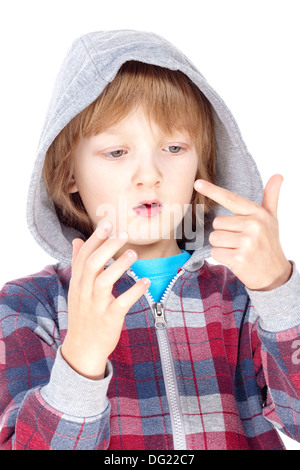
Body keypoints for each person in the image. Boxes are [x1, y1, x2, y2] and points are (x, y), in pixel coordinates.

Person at [0, 30, 300, 451]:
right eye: (117, 152)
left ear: (204, 165)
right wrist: (81, 361)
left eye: (174, 147)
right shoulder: (28, 307)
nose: (150, 175)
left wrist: (278, 292)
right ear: (69, 174)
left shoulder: (244, 301)